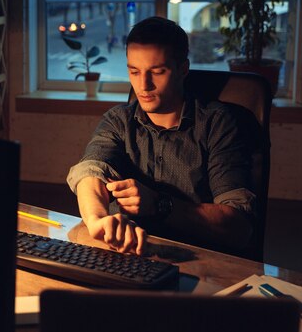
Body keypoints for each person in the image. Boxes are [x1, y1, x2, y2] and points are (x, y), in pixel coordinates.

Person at [66, 16, 255, 256]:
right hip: (127, 256)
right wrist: (98, 220)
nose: (143, 85)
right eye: (134, 71)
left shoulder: (218, 124)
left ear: (183, 69)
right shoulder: (118, 120)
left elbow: (239, 227)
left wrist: (160, 204)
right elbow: (90, 172)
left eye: (157, 72)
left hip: (197, 261)